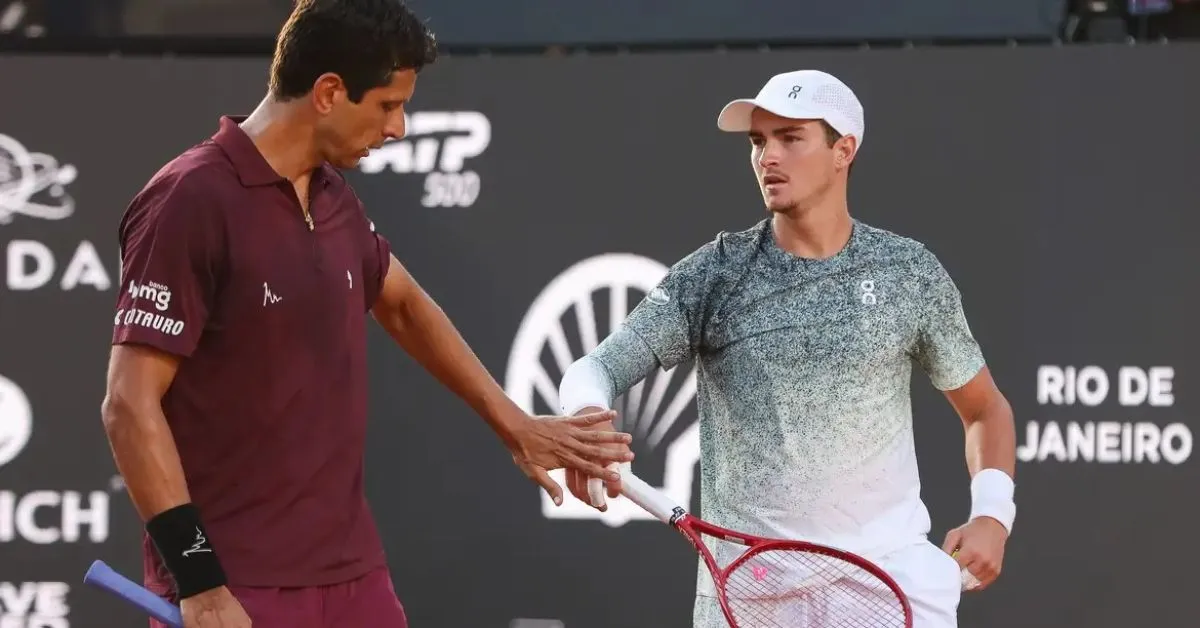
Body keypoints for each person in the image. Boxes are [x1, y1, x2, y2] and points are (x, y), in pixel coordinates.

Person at [99, 2, 632, 627]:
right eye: (387, 105)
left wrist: (514, 425)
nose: (398, 128)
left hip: (353, 577)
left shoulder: (331, 196)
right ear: (329, 92)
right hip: (234, 585)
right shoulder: (189, 198)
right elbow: (128, 404)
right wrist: (199, 581)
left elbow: (401, 303)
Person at [554, 70, 1017, 627]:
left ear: (843, 150)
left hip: (889, 585)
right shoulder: (714, 275)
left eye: (790, 138)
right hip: (751, 596)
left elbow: (984, 409)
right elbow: (595, 369)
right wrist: (585, 422)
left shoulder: (908, 272)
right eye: (758, 141)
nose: (767, 156)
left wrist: (993, 514)